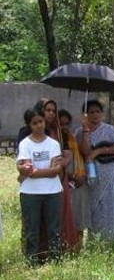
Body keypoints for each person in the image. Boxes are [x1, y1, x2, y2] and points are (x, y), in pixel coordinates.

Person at [17, 107, 64, 265]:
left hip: (53, 192)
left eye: (41, 121)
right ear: (29, 125)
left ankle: (55, 260)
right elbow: (28, 170)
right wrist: (46, 170)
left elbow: (56, 171)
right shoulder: (25, 144)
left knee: (54, 229)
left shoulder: (54, 144)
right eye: (34, 123)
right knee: (32, 229)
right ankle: (32, 262)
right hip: (30, 193)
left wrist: (37, 171)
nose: (39, 125)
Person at [79, 99, 114, 241]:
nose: (95, 115)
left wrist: (100, 150)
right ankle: (95, 237)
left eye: (97, 111)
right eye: (91, 112)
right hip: (92, 173)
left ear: (102, 113)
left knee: (110, 202)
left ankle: (113, 235)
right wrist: (86, 132)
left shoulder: (110, 130)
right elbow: (86, 152)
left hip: (110, 172)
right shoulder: (79, 132)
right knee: (94, 204)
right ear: (85, 115)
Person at [59, 109, 90, 247]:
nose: (65, 127)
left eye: (67, 124)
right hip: (65, 181)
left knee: (79, 213)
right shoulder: (55, 140)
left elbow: (83, 154)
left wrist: (85, 130)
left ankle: (78, 247)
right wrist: (71, 176)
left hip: (79, 181)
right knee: (66, 214)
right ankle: (66, 246)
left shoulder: (73, 137)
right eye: (61, 124)